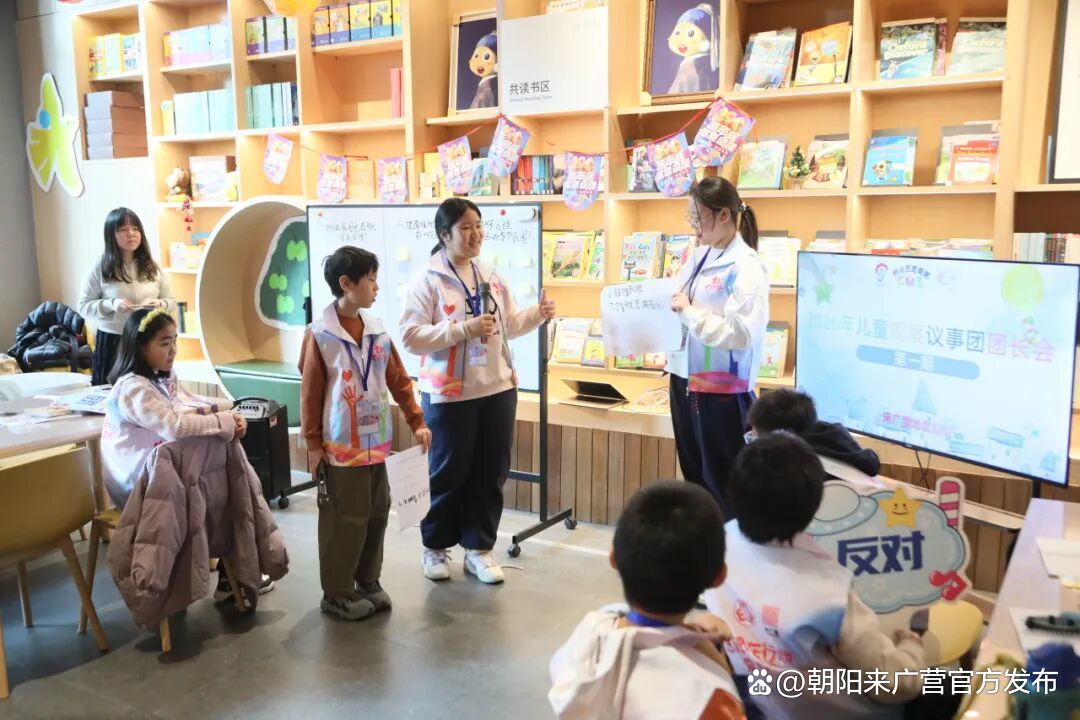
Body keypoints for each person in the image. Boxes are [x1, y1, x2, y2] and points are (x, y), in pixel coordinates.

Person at [706, 433, 926, 719]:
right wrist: (912, 645)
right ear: (813, 503)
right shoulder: (828, 595)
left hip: (763, 704)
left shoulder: (716, 545)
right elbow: (894, 684)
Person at [400, 198, 556, 584]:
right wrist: (461, 330)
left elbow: (507, 325)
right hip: (449, 393)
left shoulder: (490, 274)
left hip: (497, 386)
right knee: (446, 473)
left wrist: (537, 315)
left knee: (490, 473)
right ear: (444, 235)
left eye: (479, 226)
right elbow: (411, 337)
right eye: (466, 228)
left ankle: (479, 550)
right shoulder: (428, 279)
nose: (476, 234)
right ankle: (435, 547)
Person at [100, 308, 272, 600]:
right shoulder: (132, 389)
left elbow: (186, 409)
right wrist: (223, 422)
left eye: (175, 341)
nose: (173, 350)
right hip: (139, 489)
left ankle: (234, 575)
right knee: (229, 487)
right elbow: (175, 426)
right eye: (164, 343)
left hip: (162, 479)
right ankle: (236, 574)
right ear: (140, 347)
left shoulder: (162, 378)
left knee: (228, 481)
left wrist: (228, 417)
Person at [300, 246, 431, 621]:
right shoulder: (320, 335)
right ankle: (337, 592)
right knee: (345, 518)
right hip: (340, 448)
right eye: (371, 279)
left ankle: (367, 580)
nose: (376, 286)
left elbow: (399, 380)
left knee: (376, 513)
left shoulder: (377, 330)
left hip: (377, 444)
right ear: (346, 283)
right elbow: (310, 393)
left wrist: (416, 420)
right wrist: (313, 444)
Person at [548, 481, 745, 720]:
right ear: (719, 576)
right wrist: (714, 658)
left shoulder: (589, 634)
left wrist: (694, 637)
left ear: (613, 559)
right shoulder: (711, 700)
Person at [668, 176, 768, 517]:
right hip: (683, 377)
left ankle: (733, 545)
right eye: (690, 217)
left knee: (724, 478)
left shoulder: (746, 265)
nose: (693, 226)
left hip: (722, 385)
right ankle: (705, 541)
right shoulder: (698, 255)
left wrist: (688, 313)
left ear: (724, 215)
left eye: (698, 217)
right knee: (694, 474)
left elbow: (741, 333)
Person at [79, 207, 177, 386]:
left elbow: (172, 301)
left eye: (135, 229)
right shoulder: (101, 267)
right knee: (110, 391)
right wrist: (112, 304)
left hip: (147, 341)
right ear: (111, 235)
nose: (131, 234)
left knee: (148, 391)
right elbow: (84, 306)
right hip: (114, 340)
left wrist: (159, 304)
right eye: (123, 229)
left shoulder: (151, 266)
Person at [747, 389, 882, 480]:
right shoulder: (835, 434)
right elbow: (870, 463)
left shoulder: (794, 471)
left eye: (754, 438)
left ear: (777, 439)